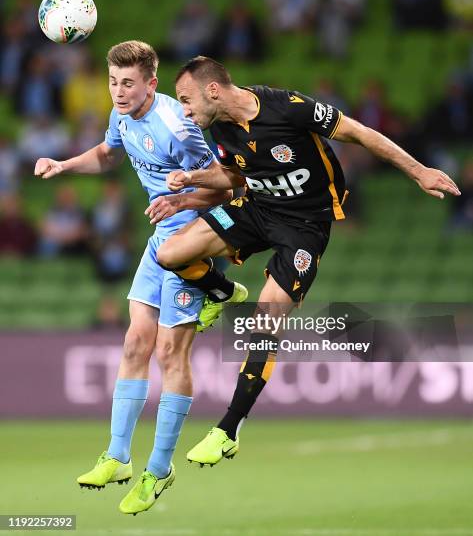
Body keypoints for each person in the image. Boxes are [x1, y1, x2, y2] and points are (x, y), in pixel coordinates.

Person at [145, 55, 461, 467]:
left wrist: (418, 170)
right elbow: (235, 178)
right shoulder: (219, 129)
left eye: (186, 101)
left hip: (304, 227)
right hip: (254, 209)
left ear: (213, 90)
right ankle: (223, 292)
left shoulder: (286, 107)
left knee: (265, 319)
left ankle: (228, 429)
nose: (184, 110)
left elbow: (360, 133)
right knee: (169, 252)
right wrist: (190, 184)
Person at [33, 41, 247, 515]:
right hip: (159, 240)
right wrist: (65, 164)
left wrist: (183, 190)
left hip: (190, 236)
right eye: (112, 82)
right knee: (134, 344)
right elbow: (109, 154)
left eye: (128, 83)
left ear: (152, 82)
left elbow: (228, 185)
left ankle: (158, 469)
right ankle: (117, 456)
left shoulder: (179, 126)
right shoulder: (121, 114)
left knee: (171, 352)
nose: (118, 91)